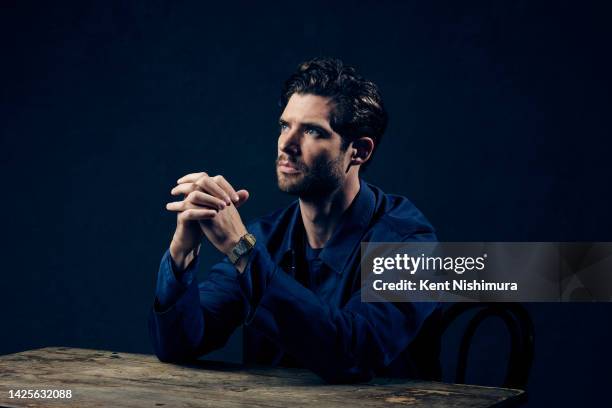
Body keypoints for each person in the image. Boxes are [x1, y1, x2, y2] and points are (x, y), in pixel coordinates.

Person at [149, 57, 441, 384]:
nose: (286, 145)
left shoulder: (411, 244)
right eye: (285, 126)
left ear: (358, 151)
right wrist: (182, 253)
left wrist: (240, 249)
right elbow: (179, 346)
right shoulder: (266, 238)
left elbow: (354, 354)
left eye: (313, 131)